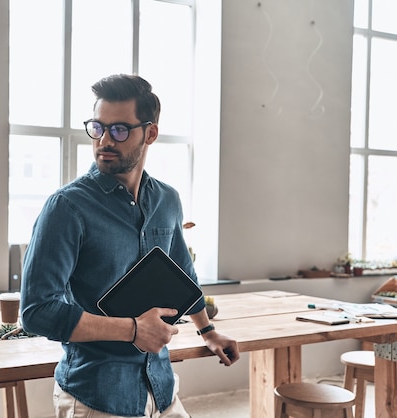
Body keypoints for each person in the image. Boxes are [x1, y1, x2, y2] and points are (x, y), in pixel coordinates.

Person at [20, 74, 240, 418]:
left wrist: (207, 331)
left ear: (150, 133)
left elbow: (184, 275)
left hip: (162, 388)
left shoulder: (167, 200)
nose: (104, 140)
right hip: (96, 396)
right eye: (98, 127)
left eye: (119, 130)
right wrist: (134, 330)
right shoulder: (66, 207)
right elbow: (36, 312)